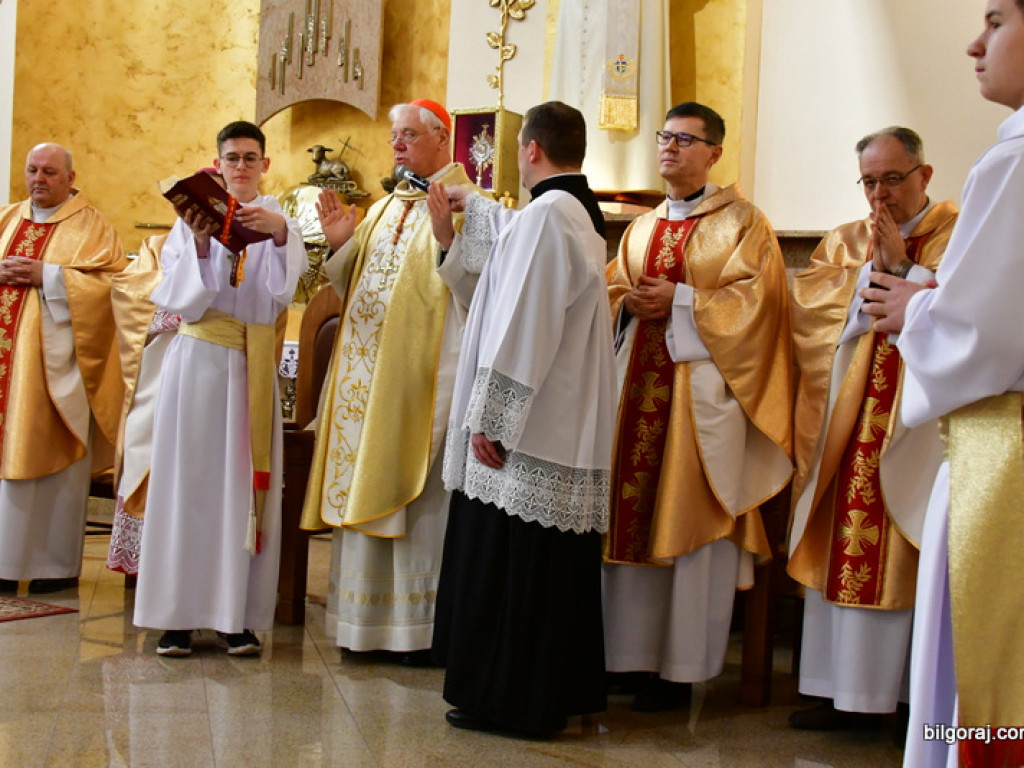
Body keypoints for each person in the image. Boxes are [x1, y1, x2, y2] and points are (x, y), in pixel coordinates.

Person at [863, 2, 1024, 765]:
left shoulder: (1015, 160)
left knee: (979, 674)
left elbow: (980, 339)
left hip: (1005, 453)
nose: (975, 42)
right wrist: (922, 289)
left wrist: (915, 308)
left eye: (995, 21)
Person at [429, 101, 617, 736]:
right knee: (548, 570)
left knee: (511, 568)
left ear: (530, 150)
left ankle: (515, 702)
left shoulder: (547, 218)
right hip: (561, 424)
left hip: (528, 429)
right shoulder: (575, 216)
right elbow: (515, 246)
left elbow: (526, 321)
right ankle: (552, 693)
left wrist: (492, 420)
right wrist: (471, 206)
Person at [602, 102, 793, 711]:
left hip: (699, 408)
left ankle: (679, 668)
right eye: (665, 137)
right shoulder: (638, 226)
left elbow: (761, 307)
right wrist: (627, 304)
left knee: (687, 518)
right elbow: (610, 290)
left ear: (713, 153)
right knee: (626, 519)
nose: (670, 148)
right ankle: (624, 660)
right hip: (632, 391)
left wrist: (682, 301)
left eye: (686, 140)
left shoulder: (743, 222)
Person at [787, 128, 957, 730]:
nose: (878, 196)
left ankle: (900, 699)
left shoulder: (961, 231)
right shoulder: (846, 239)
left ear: (925, 175)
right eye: (868, 181)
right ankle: (837, 691)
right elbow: (812, 309)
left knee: (902, 539)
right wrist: (867, 277)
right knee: (842, 532)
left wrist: (906, 268)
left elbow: (967, 311)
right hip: (851, 414)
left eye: (892, 179)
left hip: (917, 426)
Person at [300, 100, 483, 661]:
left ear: (441, 138)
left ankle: (419, 633)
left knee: (422, 504)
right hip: (366, 382)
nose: (397, 145)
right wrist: (339, 246)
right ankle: (361, 627)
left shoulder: (473, 205)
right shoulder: (383, 208)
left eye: (408, 135)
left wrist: (449, 236)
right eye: (393, 137)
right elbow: (356, 280)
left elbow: (482, 290)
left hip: (424, 384)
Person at [133, 121, 306, 656]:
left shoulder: (282, 220)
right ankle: (176, 617)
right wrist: (205, 244)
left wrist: (278, 234)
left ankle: (235, 616)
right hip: (197, 361)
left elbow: (280, 293)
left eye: (251, 158)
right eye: (231, 158)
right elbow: (179, 296)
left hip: (248, 367)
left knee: (240, 489)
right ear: (218, 164)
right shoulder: (189, 223)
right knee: (186, 485)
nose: (241, 167)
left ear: (265, 164)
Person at [0, 143, 127, 595]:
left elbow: (114, 286)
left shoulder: (92, 226)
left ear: (71, 177)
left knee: (54, 467)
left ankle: (53, 566)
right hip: (7, 368)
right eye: (33, 169)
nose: (39, 178)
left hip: (56, 375)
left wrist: (47, 277)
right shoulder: (8, 217)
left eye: (50, 172)